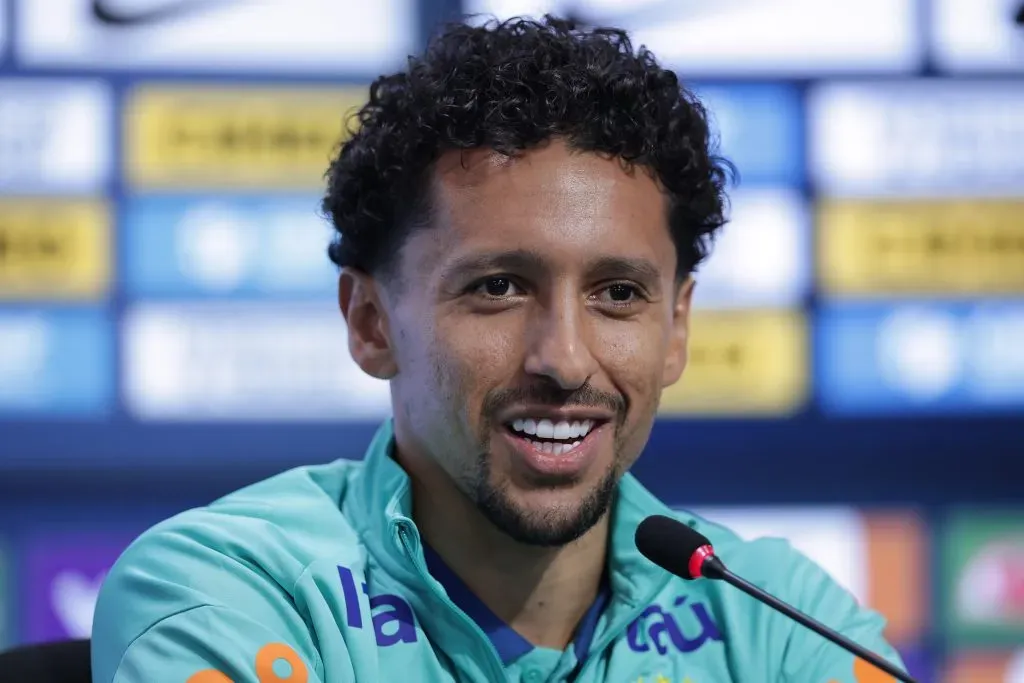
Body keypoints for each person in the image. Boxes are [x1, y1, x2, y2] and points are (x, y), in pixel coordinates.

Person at [92, 16, 907, 683]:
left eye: (618, 293)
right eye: (499, 286)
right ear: (371, 322)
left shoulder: (778, 618)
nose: (565, 359)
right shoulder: (228, 591)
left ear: (677, 328)